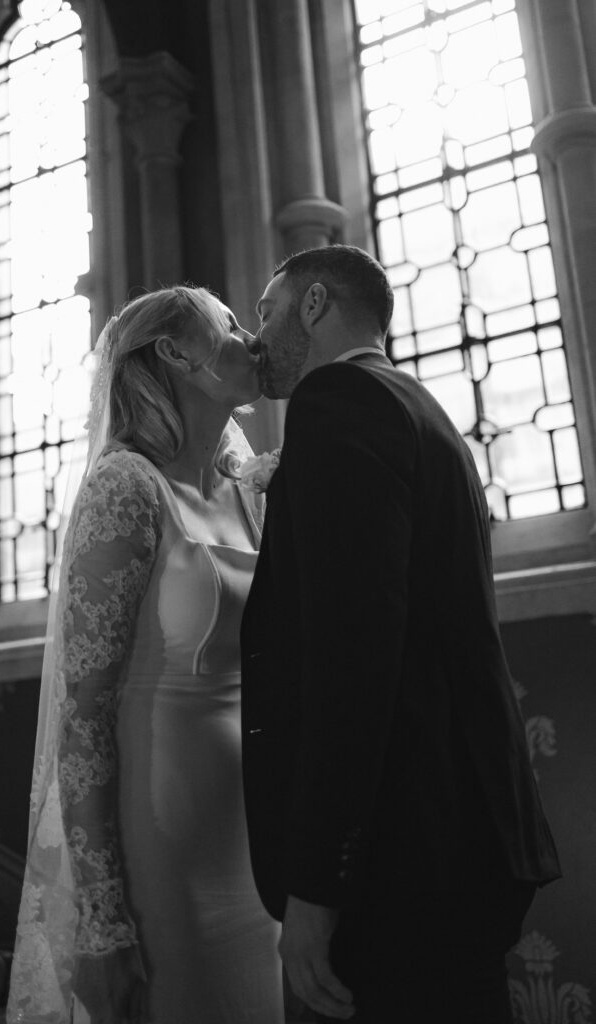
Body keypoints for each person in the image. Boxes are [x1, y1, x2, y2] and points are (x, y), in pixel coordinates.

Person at [240, 245, 561, 1024]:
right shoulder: (423, 410)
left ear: (313, 305)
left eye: (266, 312)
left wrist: (317, 884)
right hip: (463, 826)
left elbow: (354, 660)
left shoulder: (335, 403)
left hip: (399, 849)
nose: (255, 339)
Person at [7, 286, 285, 1024]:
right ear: (173, 353)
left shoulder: (249, 491)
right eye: (227, 325)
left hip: (258, 834)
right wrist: (102, 914)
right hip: (162, 839)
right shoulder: (126, 487)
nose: (250, 337)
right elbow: (82, 716)